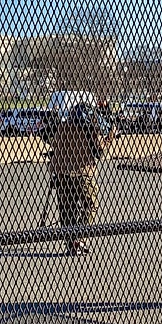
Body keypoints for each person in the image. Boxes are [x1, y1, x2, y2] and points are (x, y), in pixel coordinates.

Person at [48, 102, 115, 256]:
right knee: (91, 204)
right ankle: (81, 236)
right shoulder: (90, 127)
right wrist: (111, 135)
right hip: (83, 172)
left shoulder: (63, 127)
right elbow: (100, 149)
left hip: (62, 172)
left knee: (67, 209)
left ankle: (71, 243)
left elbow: (55, 147)